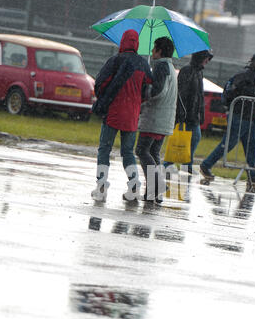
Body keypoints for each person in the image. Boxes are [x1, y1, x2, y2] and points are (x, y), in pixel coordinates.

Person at [91, 29, 152, 202]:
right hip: (132, 116)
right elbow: (148, 90)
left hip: (114, 113)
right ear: (137, 44)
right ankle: (134, 186)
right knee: (128, 152)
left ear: (123, 42)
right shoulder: (143, 64)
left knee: (105, 149)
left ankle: (101, 187)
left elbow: (100, 83)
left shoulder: (115, 61)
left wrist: (104, 98)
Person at [200, 52, 255, 188]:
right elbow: (235, 92)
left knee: (253, 147)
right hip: (239, 117)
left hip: (250, 119)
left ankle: (254, 176)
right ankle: (206, 165)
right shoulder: (245, 75)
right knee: (228, 144)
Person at [136, 37, 177, 202]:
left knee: (141, 150)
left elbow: (158, 91)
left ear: (160, 51)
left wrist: (144, 89)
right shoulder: (171, 67)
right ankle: (153, 193)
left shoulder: (161, 66)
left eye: (154, 48)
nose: (152, 51)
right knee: (153, 152)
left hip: (155, 117)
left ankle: (158, 184)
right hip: (165, 118)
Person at [164, 49, 213, 175]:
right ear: (200, 57)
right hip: (186, 114)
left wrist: (200, 112)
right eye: (206, 58)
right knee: (182, 140)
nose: (208, 61)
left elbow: (199, 95)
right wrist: (182, 113)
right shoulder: (187, 70)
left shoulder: (198, 72)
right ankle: (169, 164)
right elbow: (181, 93)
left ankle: (185, 164)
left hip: (193, 114)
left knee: (191, 138)